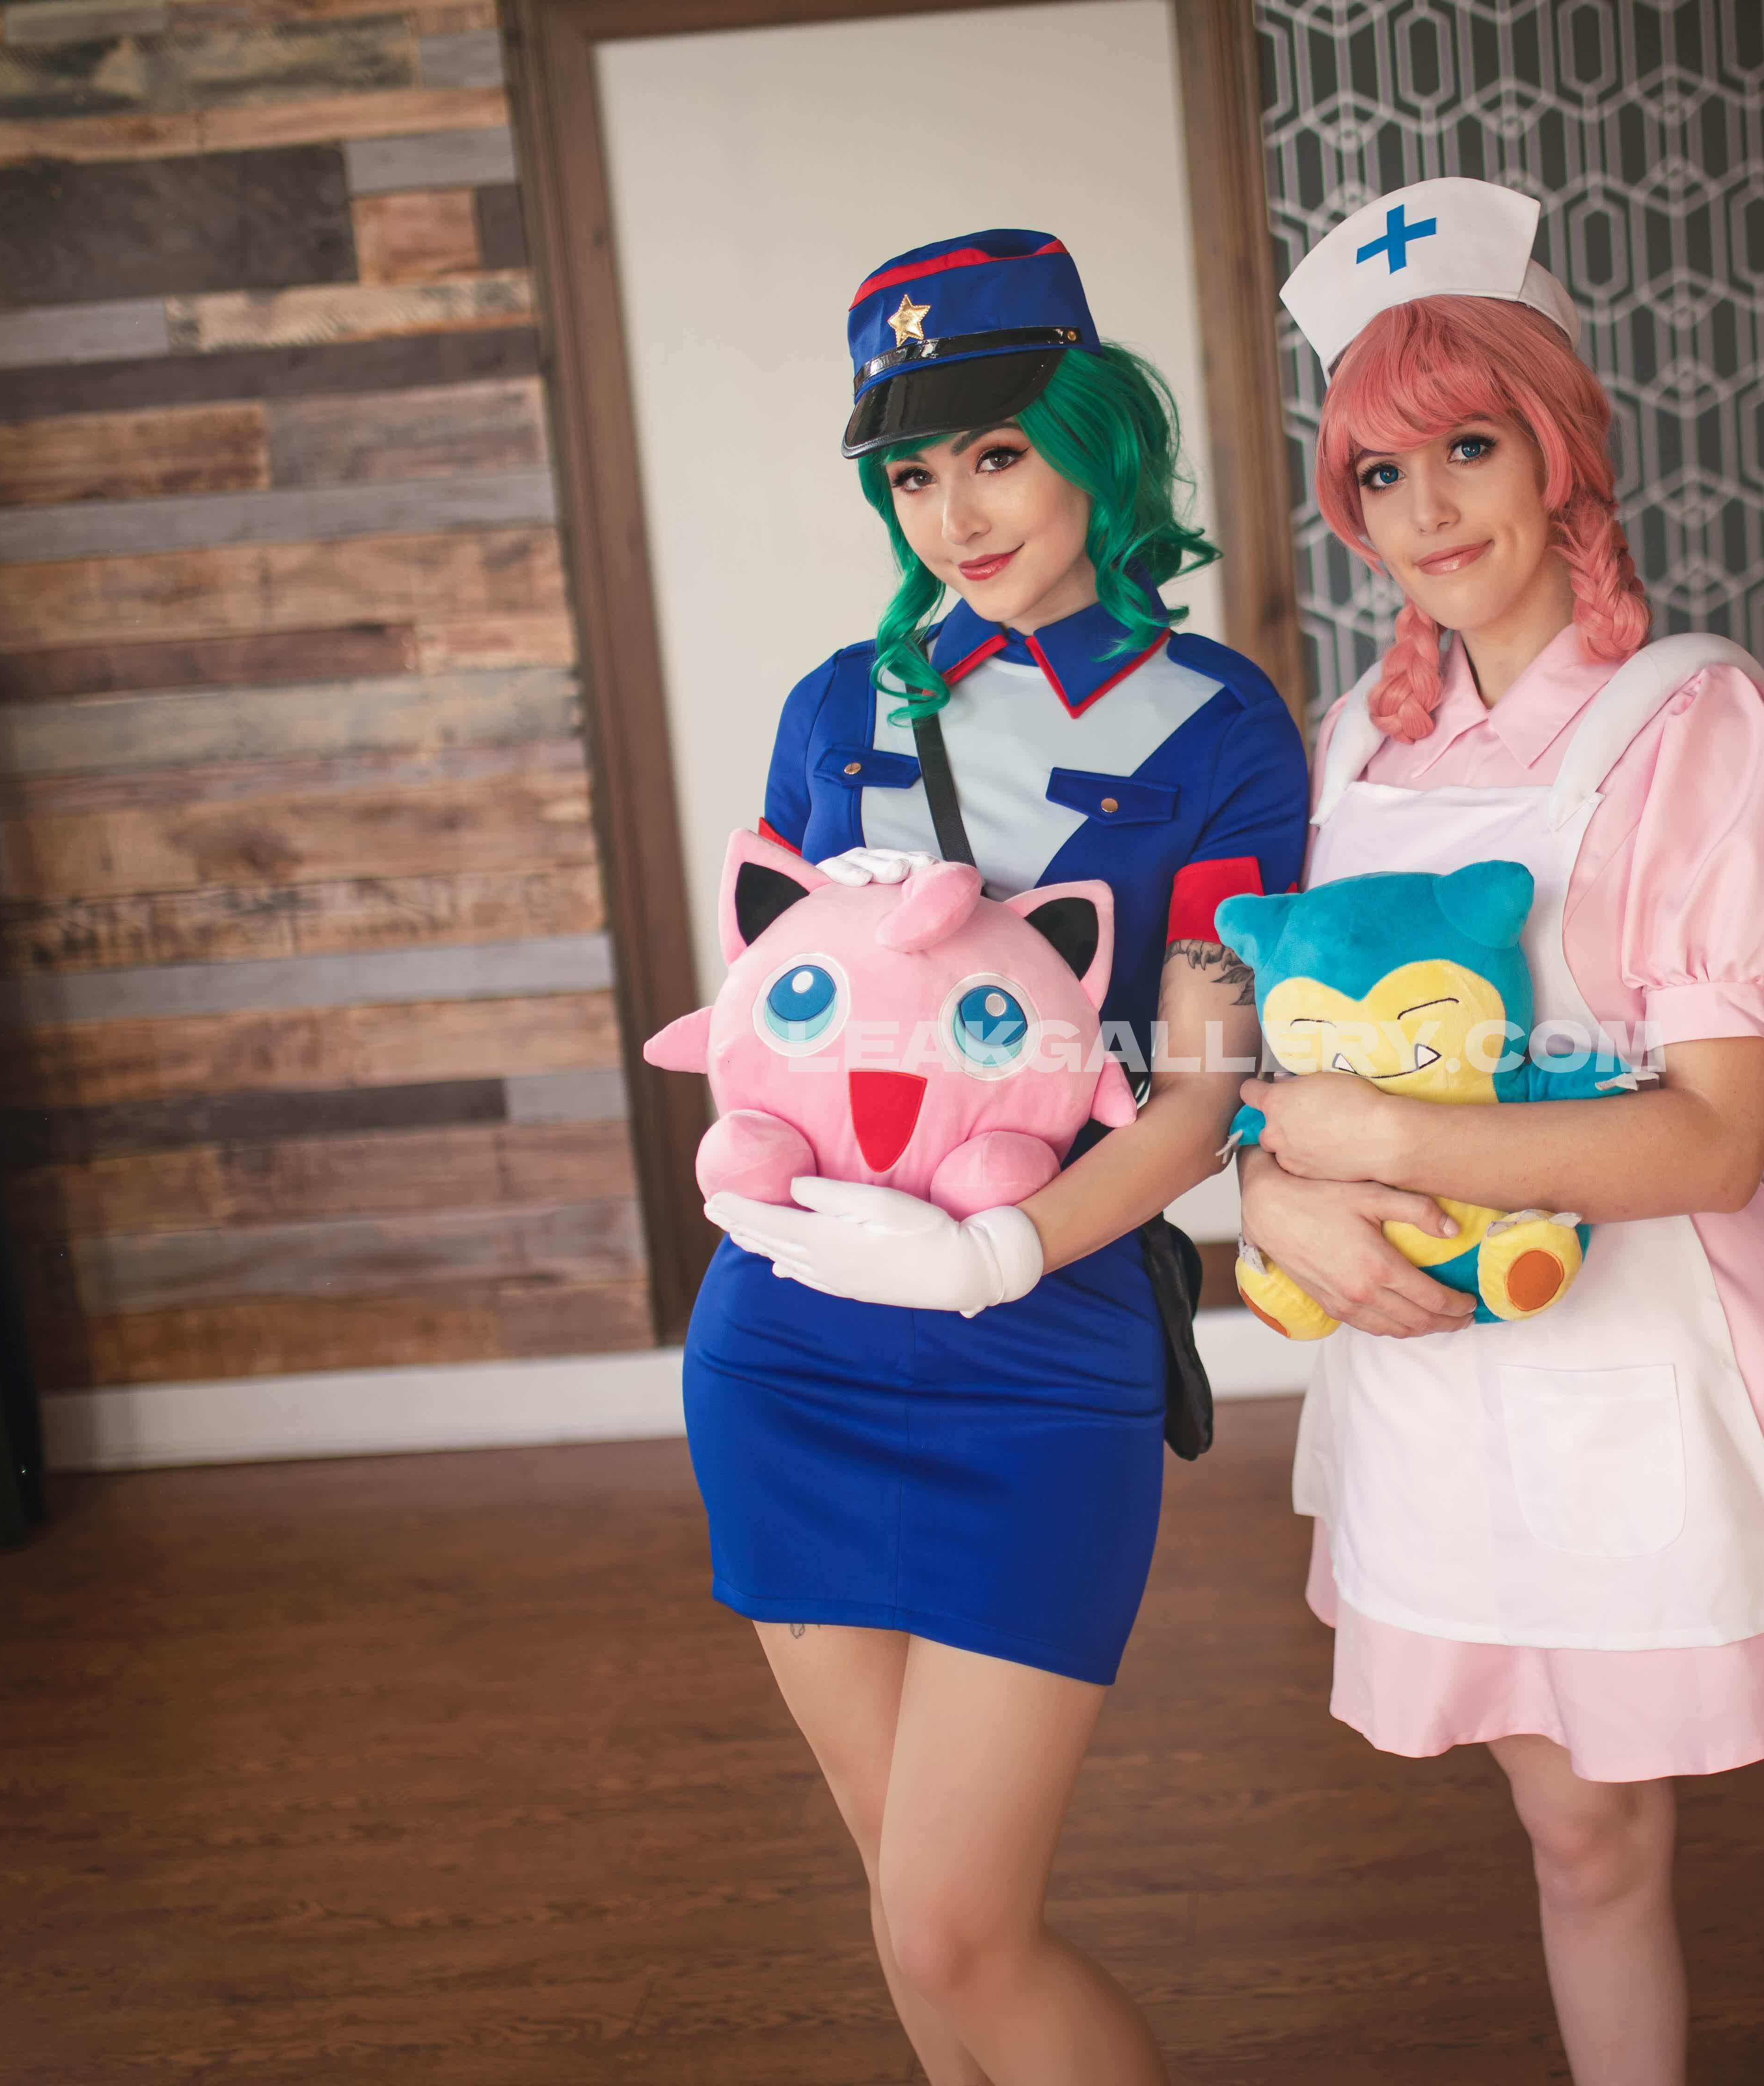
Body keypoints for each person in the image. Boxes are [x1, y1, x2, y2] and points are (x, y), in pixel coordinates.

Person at [1236, 180, 1764, 2086]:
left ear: (1560, 444)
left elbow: (1712, 1143)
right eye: (1379, 473)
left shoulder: (1688, 720)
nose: (1427, 510)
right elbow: (1266, 1056)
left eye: (1468, 446)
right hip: (1439, 1367)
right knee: (1576, 1831)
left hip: (1665, 1348)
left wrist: (1372, 1138)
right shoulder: (1342, 752)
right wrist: (1268, 1191)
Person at [682, 229, 1306, 2086]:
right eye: (910, 474)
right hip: (792, 1339)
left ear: (1094, 442)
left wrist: (998, 1252)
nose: (952, 513)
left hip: (1040, 1340)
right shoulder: (836, 707)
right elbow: (775, 1013)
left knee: (960, 1924)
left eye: (997, 455)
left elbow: (1203, 1092)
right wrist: (748, 1168)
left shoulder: (1222, 728)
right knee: (907, 1901)